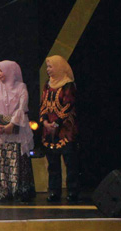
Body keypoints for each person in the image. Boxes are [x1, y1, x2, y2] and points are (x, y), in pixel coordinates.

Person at [0, 60, 36, 202]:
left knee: (17, 158)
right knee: (1, 159)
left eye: (2, 71)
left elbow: (22, 107)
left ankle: (17, 191)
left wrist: (12, 123)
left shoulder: (21, 87)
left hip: (17, 130)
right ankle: (2, 191)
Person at [40, 55, 78, 202]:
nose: (48, 70)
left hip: (66, 130)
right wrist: (44, 123)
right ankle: (54, 192)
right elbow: (43, 105)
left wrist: (56, 124)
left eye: (51, 66)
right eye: (47, 67)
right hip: (49, 131)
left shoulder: (68, 85)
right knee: (53, 164)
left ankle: (72, 191)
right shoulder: (47, 85)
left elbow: (68, 106)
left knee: (70, 162)